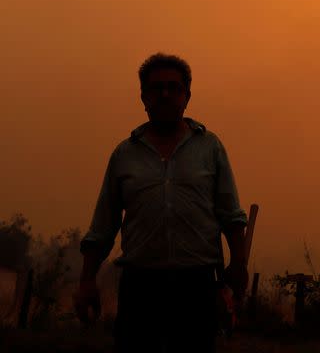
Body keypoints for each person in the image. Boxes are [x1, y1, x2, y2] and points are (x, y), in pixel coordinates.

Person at [73, 53, 249, 353]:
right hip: (140, 287)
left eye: (173, 87)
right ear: (143, 96)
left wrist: (238, 265)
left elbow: (231, 215)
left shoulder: (210, 148)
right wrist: (87, 281)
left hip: (196, 286)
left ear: (187, 96)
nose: (165, 94)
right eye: (156, 88)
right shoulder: (124, 154)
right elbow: (103, 226)